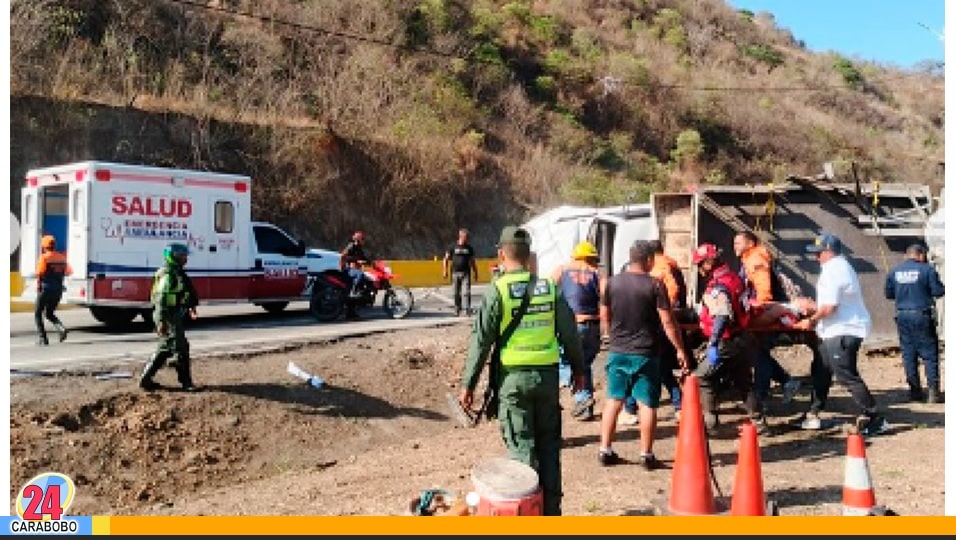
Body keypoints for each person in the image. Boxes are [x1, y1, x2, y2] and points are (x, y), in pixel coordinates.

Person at [458, 225, 585, 516]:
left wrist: (468, 384)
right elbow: (570, 334)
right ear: (529, 257)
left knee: (522, 450)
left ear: (501, 255)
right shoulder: (549, 288)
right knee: (550, 448)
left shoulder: (498, 291)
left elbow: (481, 341)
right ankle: (552, 513)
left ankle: (529, 516)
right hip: (547, 379)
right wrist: (579, 371)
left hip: (513, 382)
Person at [598, 240, 689, 469]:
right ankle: (646, 455)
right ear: (649, 260)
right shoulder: (655, 285)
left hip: (618, 350)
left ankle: (605, 449)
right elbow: (668, 321)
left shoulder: (610, 283)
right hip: (646, 352)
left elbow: (604, 316)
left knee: (614, 400)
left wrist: (611, 336)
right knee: (647, 403)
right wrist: (679, 348)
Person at [793, 233, 888, 436]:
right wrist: (813, 307)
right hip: (833, 330)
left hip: (844, 330)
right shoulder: (836, 268)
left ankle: (875, 417)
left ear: (829, 252)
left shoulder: (834, 269)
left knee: (845, 374)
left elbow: (830, 307)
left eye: (818, 253)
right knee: (821, 370)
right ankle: (813, 413)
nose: (816, 257)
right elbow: (830, 304)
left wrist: (811, 319)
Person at [691, 243, 762, 434]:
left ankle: (711, 424)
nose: (699, 269)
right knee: (744, 382)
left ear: (708, 263)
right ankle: (759, 421)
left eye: (700, 264)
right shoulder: (734, 278)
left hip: (726, 340)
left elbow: (722, 315)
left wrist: (713, 343)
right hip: (743, 338)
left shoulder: (717, 287)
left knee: (702, 377)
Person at [732, 231, 802, 410]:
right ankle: (783, 383)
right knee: (757, 351)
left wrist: (757, 311)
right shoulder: (749, 259)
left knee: (758, 352)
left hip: (768, 312)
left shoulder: (756, 260)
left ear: (749, 243)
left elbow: (764, 292)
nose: (735, 246)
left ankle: (761, 398)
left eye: (738, 243)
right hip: (764, 311)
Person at [884, 243, 945, 403]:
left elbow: (889, 294)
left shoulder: (894, 271)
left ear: (906, 255)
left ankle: (915, 392)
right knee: (930, 355)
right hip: (922, 315)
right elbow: (939, 291)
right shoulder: (927, 270)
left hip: (903, 316)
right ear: (921, 255)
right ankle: (933, 393)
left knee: (908, 354)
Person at [550, 241, 603, 420]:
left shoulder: (562, 269)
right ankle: (585, 408)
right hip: (592, 326)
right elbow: (607, 299)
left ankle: (581, 396)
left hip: (570, 326)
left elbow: (546, 290)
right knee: (584, 365)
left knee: (565, 361)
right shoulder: (597, 273)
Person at [140, 243, 200, 392]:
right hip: (168, 315)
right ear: (174, 257)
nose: (185, 259)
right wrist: (161, 321)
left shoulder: (177, 272)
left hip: (172, 314)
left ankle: (146, 379)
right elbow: (161, 300)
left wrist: (191, 307)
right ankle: (186, 383)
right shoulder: (168, 275)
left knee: (165, 347)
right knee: (181, 348)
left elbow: (186, 293)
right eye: (183, 256)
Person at [34, 235, 72, 346]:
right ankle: (61, 328)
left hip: (45, 289)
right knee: (49, 313)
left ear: (44, 246)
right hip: (58, 291)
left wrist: (38, 286)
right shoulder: (62, 257)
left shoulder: (44, 258)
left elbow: (39, 274)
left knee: (38, 313)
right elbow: (68, 272)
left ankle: (43, 338)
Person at [442, 228, 479, 317]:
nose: (466, 239)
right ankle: (457, 309)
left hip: (466, 273)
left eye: (467, 237)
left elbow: (472, 261)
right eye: (465, 237)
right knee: (455, 293)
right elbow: (445, 259)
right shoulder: (452, 246)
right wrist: (445, 271)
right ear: (460, 236)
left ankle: (467, 309)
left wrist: (475, 272)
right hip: (455, 273)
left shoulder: (469, 248)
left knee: (467, 292)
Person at [340, 230, 371, 319]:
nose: (363, 241)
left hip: (354, 269)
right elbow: (343, 256)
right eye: (362, 239)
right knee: (360, 275)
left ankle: (351, 314)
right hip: (348, 269)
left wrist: (371, 262)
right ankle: (354, 291)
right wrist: (356, 261)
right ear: (357, 240)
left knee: (363, 279)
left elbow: (364, 258)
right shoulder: (351, 246)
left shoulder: (359, 249)